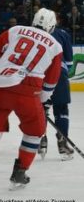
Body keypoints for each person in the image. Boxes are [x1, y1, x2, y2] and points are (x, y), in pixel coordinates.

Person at [0, 8, 63, 189]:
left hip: (0, 86)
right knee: (34, 133)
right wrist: (42, 99)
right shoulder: (55, 45)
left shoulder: (16, 30)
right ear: (51, 25)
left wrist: (0, 71)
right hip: (28, 90)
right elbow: (51, 81)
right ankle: (20, 172)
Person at [38, 27, 74, 161]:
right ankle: (63, 142)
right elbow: (69, 62)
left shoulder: (32, 33)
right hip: (59, 73)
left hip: (39, 73)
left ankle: (41, 140)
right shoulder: (62, 33)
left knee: (42, 109)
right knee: (61, 109)